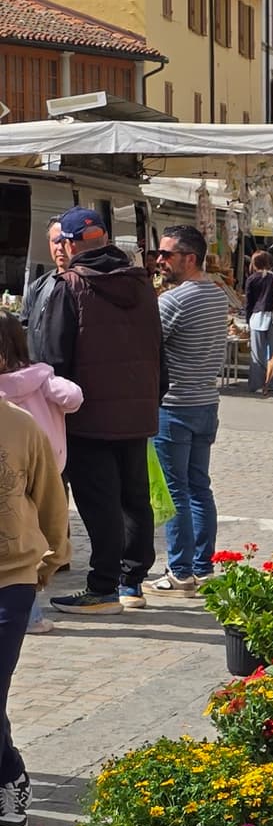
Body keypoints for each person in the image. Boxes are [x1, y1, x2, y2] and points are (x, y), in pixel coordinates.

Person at [32, 207, 162, 616]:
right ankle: (132, 581)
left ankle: (103, 586)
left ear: (70, 245)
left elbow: (54, 356)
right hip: (136, 411)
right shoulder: (141, 284)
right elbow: (159, 348)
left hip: (86, 413)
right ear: (105, 239)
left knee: (99, 500)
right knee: (133, 496)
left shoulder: (69, 284)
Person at [0, 395, 70, 826]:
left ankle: (7, 779)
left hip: (10, 577)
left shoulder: (21, 425)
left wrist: (51, 558)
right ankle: (8, 771)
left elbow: (50, 497)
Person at [152, 225, 228, 594]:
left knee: (175, 491)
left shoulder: (174, 301)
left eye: (167, 254)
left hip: (175, 405)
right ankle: (204, 567)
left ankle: (179, 571)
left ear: (190, 258)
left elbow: (147, 343)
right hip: (205, 403)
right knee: (199, 487)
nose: (159, 260)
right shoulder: (217, 295)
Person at [0, 315, 81, 635]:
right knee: (27, 533)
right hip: (50, 462)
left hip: (22, 464)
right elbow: (74, 397)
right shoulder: (41, 376)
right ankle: (34, 614)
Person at [19, 217, 68, 349]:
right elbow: (23, 329)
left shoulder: (86, 286)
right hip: (41, 367)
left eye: (64, 241)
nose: (60, 247)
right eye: (55, 241)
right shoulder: (37, 287)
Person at [244, 251, 273, 394]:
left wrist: (247, 319)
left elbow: (249, 302)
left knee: (257, 352)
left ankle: (256, 383)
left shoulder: (252, 279)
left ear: (254, 263)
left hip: (257, 317)